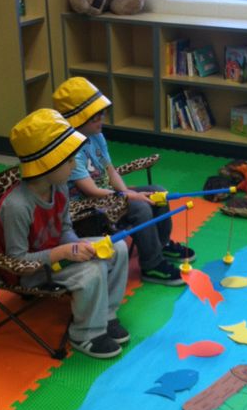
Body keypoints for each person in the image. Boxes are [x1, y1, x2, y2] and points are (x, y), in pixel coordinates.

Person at [0, 108, 130, 360]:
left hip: (58, 256)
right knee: (92, 270)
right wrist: (64, 252)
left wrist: (77, 247)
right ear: (47, 165)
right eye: (68, 160)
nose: (74, 165)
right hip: (32, 273)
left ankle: (105, 315)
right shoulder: (17, 206)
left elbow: (65, 229)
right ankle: (85, 333)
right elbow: (17, 261)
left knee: (116, 247)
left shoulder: (58, 188)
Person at [53, 77, 195, 287]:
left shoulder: (97, 136)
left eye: (102, 114)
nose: (102, 119)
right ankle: (152, 265)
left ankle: (161, 244)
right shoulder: (72, 149)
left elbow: (110, 171)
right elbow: (90, 190)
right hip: (86, 205)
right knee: (139, 207)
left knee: (159, 193)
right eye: (95, 117)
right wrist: (128, 196)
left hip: (108, 194)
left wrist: (126, 190)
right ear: (78, 121)